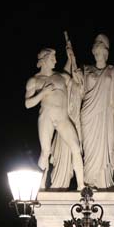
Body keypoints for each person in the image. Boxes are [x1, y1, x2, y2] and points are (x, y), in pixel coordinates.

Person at [66, 34, 114, 189]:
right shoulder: (86, 69)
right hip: (88, 115)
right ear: (93, 52)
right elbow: (78, 89)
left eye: (102, 51)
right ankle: (88, 183)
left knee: (107, 148)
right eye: (97, 51)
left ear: (107, 53)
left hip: (107, 117)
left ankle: (104, 183)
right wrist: (73, 68)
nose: (99, 54)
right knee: (89, 151)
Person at [24, 48, 84, 190]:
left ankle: (81, 186)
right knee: (46, 151)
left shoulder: (61, 76)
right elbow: (27, 104)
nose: (56, 61)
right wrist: (43, 93)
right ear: (44, 60)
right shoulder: (35, 80)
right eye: (53, 58)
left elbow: (77, 84)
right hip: (46, 117)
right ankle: (40, 186)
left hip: (63, 117)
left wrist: (72, 62)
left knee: (76, 147)